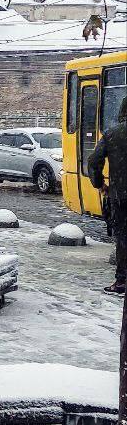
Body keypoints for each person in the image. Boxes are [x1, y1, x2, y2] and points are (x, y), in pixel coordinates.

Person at [88, 95, 127, 295]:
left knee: (122, 239)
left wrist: (100, 185)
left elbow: (94, 162)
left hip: (121, 197)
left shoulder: (112, 134)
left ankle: (122, 282)